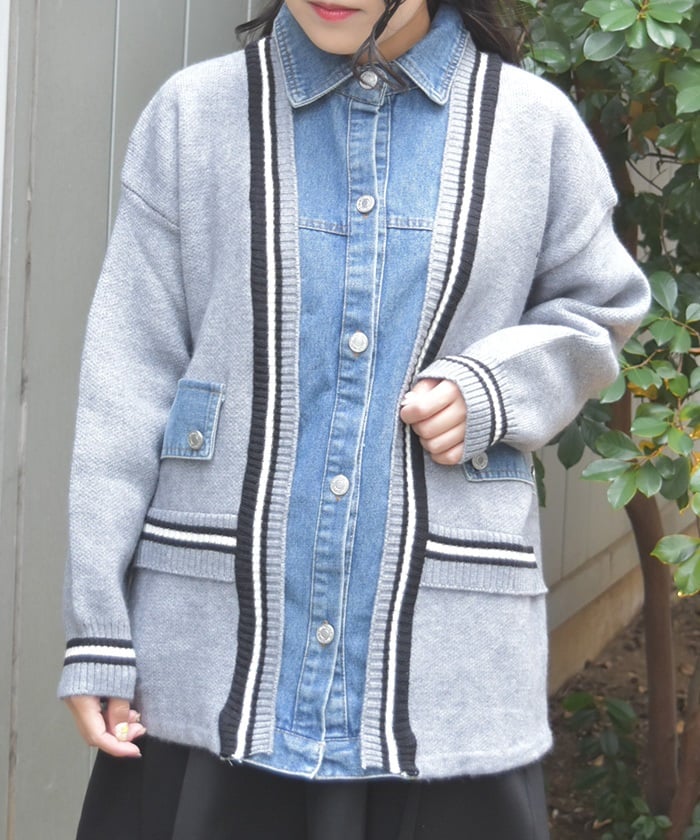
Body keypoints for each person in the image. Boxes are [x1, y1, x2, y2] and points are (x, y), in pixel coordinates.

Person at [59, 0, 650, 835]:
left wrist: (494, 389)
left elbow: (599, 308)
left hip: (446, 681)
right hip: (208, 664)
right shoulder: (195, 117)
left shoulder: (532, 126)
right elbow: (127, 380)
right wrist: (98, 631)